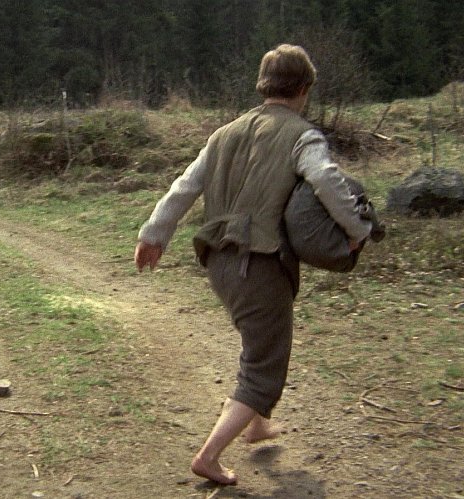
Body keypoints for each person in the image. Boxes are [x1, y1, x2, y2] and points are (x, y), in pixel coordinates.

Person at [134, 44, 372, 486]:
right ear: (304, 88)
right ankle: (209, 456)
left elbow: (184, 187)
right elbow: (325, 179)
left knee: (259, 340)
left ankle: (258, 424)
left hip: (218, 262)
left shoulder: (224, 133)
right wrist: (357, 229)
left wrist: (153, 234)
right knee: (265, 366)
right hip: (257, 264)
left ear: (263, 85)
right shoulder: (302, 135)